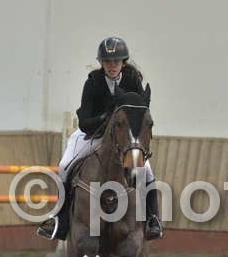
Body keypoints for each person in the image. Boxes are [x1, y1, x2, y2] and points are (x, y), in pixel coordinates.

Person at [37, 36, 164, 241]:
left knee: (146, 170)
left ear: (123, 63)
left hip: (124, 139)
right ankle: (60, 219)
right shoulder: (93, 83)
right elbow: (84, 122)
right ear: (102, 63)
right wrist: (106, 118)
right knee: (64, 165)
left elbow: (141, 112)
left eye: (116, 62)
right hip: (93, 134)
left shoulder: (132, 80)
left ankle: (153, 219)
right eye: (107, 62)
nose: (112, 66)